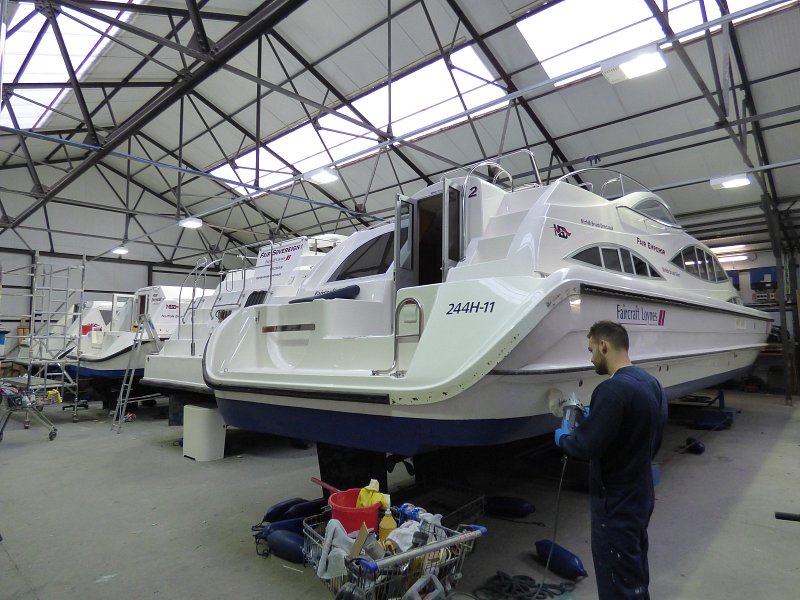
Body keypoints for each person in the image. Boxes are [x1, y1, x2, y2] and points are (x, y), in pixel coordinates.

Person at [554, 320, 668, 600]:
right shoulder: (650, 383)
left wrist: (564, 438)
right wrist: (603, 418)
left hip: (615, 502)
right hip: (640, 494)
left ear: (603, 345)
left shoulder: (612, 390)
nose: (591, 357)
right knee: (634, 570)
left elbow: (585, 446)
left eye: (591, 349)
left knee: (616, 577)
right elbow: (650, 432)